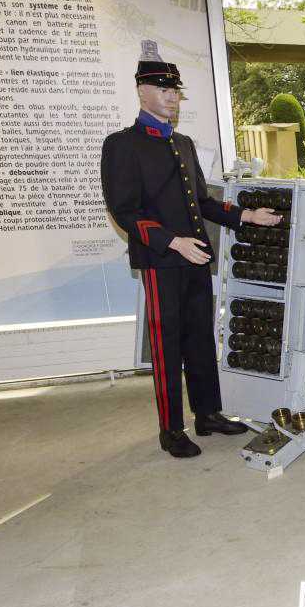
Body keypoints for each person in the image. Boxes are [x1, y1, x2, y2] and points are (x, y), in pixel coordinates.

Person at [101, 44, 280, 458]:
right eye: (162, 88)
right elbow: (124, 211)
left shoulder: (181, 144)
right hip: (162, 261)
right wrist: (172, 241)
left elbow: (202, 202)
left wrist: (246, 215)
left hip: (196, 258)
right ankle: (171, 428)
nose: (171, 96)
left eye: (175, 90)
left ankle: (208, 413)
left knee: (201, 338)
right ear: (141, 90)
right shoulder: (122, 145)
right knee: (167, 346)